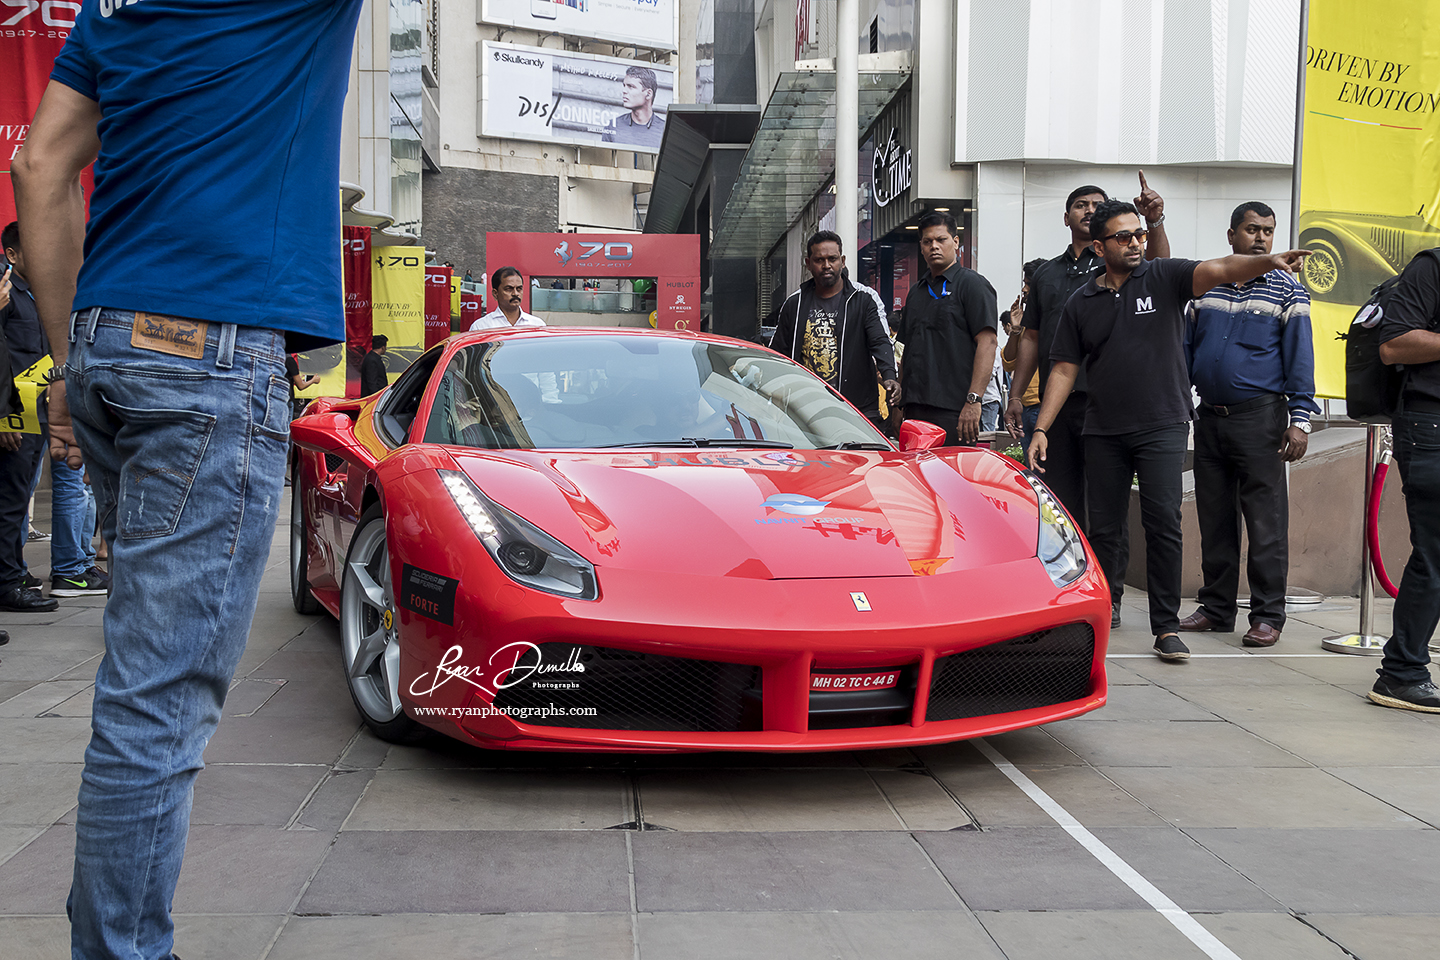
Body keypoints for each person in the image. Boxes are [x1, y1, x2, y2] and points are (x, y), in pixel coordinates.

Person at [12, 3, 366, 958]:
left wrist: (62, 365)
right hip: (205, 356)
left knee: (142, 679)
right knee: (157, 702)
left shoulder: (110, 8)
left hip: (103, 346)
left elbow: (39, 168)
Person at [1026, 199, 1308, 662]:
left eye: (1138, 234)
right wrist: (1042, 427)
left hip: (1163, 425)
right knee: (1106, 527)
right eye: (1123, 237)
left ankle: (1166, 628)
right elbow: (1063, 369)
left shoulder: (1164, 277)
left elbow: (1220, 267)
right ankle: (1104, 608)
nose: (1135, 242)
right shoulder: (1082, 302)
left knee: (1163, 525)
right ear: (1099, 246)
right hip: (1103, 429)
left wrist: (1266, 261)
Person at [1179, 202, 1318, 648]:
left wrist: (1300, 421)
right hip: (1210, 419)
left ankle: (1267, 616)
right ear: (1231, 234)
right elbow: (1183, 349)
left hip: (1261, 419)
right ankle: (1217, 609)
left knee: (1264, 523)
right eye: (1252, 230)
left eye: (1269, 231)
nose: (1261, 238)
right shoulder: (1206, 287)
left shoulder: (1288, 292)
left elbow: (1300, 359)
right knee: (1214, 518)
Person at [1005, 176, 1170, 526]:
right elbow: (1032, 336)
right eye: (1081, 205)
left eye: (1097, 205)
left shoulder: (1121, 266)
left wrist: (1153, 221)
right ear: (1067, 217)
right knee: (1061, 500)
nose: (1089, 210)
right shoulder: (1046, 274)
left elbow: (1160, 269)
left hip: (1106, 404)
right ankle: (1072, 574)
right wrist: (1016, 395)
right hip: (1057, 403)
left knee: (1106, 507)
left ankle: (1108, 579)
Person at [1369, 248, 1440, 711]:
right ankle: (1401, 671)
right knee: (1436, 551)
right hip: (1431, 426)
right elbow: (1393, 345)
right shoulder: (1432, 266)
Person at [770, 232, 897, 430]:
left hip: (856, 410)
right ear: (808, 263)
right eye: (819, 260)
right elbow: (778, 356)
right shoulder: (794, 304)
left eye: (832, 259)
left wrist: (890, 376)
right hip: (804, 413)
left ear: (843, 261)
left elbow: (880, 341)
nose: (826, 265)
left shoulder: (862, 300)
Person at [895, 211, 998, 445]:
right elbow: (907, 352)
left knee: (952, 478)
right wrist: (900, 404)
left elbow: (988, 343)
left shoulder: (972, 285)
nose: (934, 246)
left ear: (956, 242)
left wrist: (974, 401)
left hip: (956, 410)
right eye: (927, 241)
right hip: (915, 410)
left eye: (941, 240)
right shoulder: (916, 292)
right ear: (921, 247)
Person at [0, 224, 62, 611]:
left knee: (18, 498)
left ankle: (12, 571)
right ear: (13, 255)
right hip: (15, 418)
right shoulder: (6, 295)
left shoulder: (43, 295)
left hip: (40, 413)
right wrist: (4, 416)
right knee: (9, 504)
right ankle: (6, 584)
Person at [1001, 258, 1047, 453]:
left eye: (1028, 284)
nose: (1024, 290)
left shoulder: (1051, 317)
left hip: (1043, 405)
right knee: (1032, 464)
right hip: (1024, 406)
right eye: (1024, 284)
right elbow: (1009, 363)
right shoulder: (1026, 320)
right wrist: (1016, 330)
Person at [602, 65, 666, 149]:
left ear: (648, 94)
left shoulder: (665, 130)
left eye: (630, 86)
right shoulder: (613, 126)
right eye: (624, 86)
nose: (624, 91)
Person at [471, 267, 547, 330]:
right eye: (509, 289)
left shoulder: (537, 325)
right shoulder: (481, 327)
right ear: (495, 293)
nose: (515, 293)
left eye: (519, 289)